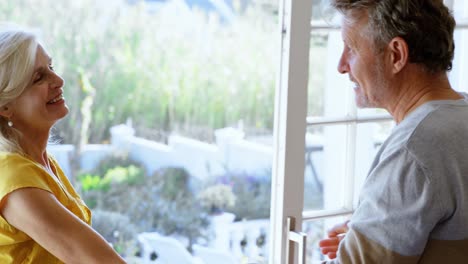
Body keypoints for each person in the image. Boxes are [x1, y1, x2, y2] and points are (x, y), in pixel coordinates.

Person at [319, 0, 468, 263]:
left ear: (396, 55)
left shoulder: (415, 149)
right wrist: (370, 234)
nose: (342, 65)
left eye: (351, 49)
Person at [0, 24, 126, 263]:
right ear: (5, 106)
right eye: (39, 77)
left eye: (51, 67)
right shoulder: (14, 179)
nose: (58, 80)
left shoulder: (40, 162)